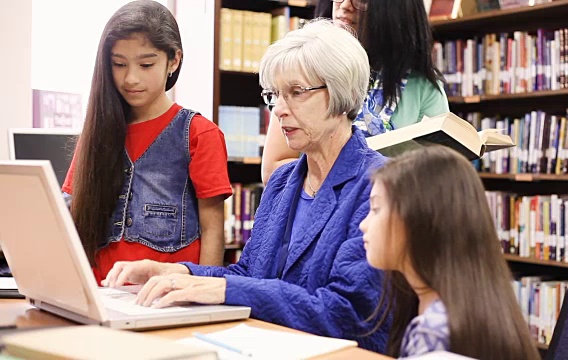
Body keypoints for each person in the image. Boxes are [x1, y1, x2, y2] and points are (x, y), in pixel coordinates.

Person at [101, 19, 389, 353]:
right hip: (267, 347)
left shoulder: (378, 185)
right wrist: (173, 271)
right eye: (275, 95)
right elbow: (249, 273)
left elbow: (348, 313)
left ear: (341, 92)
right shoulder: (283, 182)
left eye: (296, 92)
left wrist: (222, 289)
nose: (279, 110)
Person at [62, 0, 232, 283]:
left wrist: (204, 293)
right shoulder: (96, 133)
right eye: (119, 64)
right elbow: (71, 216)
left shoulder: (199, 133)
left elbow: (213, 229)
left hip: (166, 299)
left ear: (173, 61)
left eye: (146, 64)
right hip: (98, 294)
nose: (131, 78)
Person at [359, 145, 541, 359]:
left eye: (376, 209)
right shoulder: (481, 309)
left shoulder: (433, 333)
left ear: (419, 221)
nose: (363, 224)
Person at [261, 0, 449, 184]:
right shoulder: (305, 70)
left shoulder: (423, 87)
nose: (344, 6)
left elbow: (442, 174)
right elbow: (274, 169)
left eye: (361, 1)